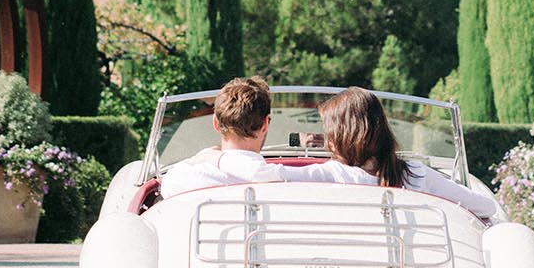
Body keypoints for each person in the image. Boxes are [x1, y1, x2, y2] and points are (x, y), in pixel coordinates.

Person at [159, 76, 376, 198]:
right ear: (265, 124)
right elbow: (365, 179)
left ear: (215, 124)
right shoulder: (296, 178)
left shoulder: (180, 179)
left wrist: (210, 158)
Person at [318, 87, 497, 220]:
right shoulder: (416, 173)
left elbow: (289, 175)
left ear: (340, 138)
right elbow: (486, 207)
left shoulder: (333, 173)